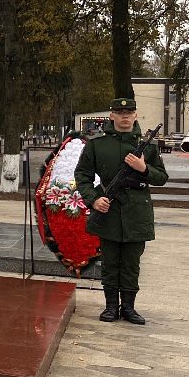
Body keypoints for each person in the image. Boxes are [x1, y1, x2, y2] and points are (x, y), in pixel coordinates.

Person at [75, 96, 166, 324]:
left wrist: (143, 168)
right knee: (110, 261)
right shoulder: (97, 144)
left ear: (135, 115)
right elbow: (82, 175)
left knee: (131, 263)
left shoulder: (150, 146)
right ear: (112, 116)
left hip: (137, 211)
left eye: (129, 112)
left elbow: (162, 178)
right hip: (109, 209)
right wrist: (94, 200)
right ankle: (110, 307)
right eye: (119, 112)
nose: (125, 116)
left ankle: (128, 308)